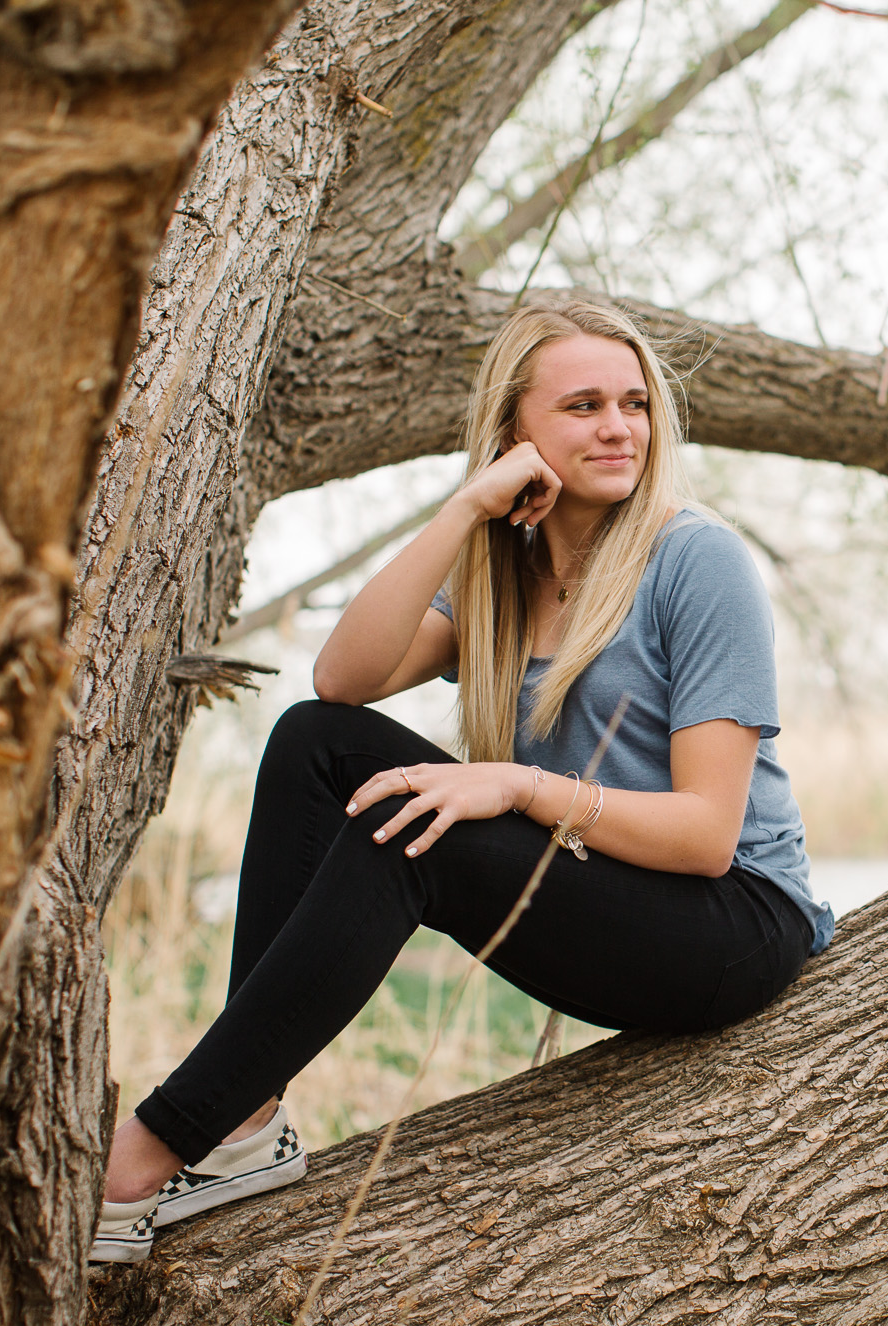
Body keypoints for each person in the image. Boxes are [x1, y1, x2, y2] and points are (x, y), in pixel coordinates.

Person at [90, 299, 834, 1262]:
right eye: (583, 406)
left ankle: (153, 1144)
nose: (618, 428)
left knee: (418, 827)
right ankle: (245, 1122)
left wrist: (517, 785)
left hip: (732, 924)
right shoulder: (506, 569)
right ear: (516, 431)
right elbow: (341, 682)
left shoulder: (696, 560)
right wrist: (464, 509)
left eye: (635, 403)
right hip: (605, 891)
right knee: (316, 740)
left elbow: (707, 836)